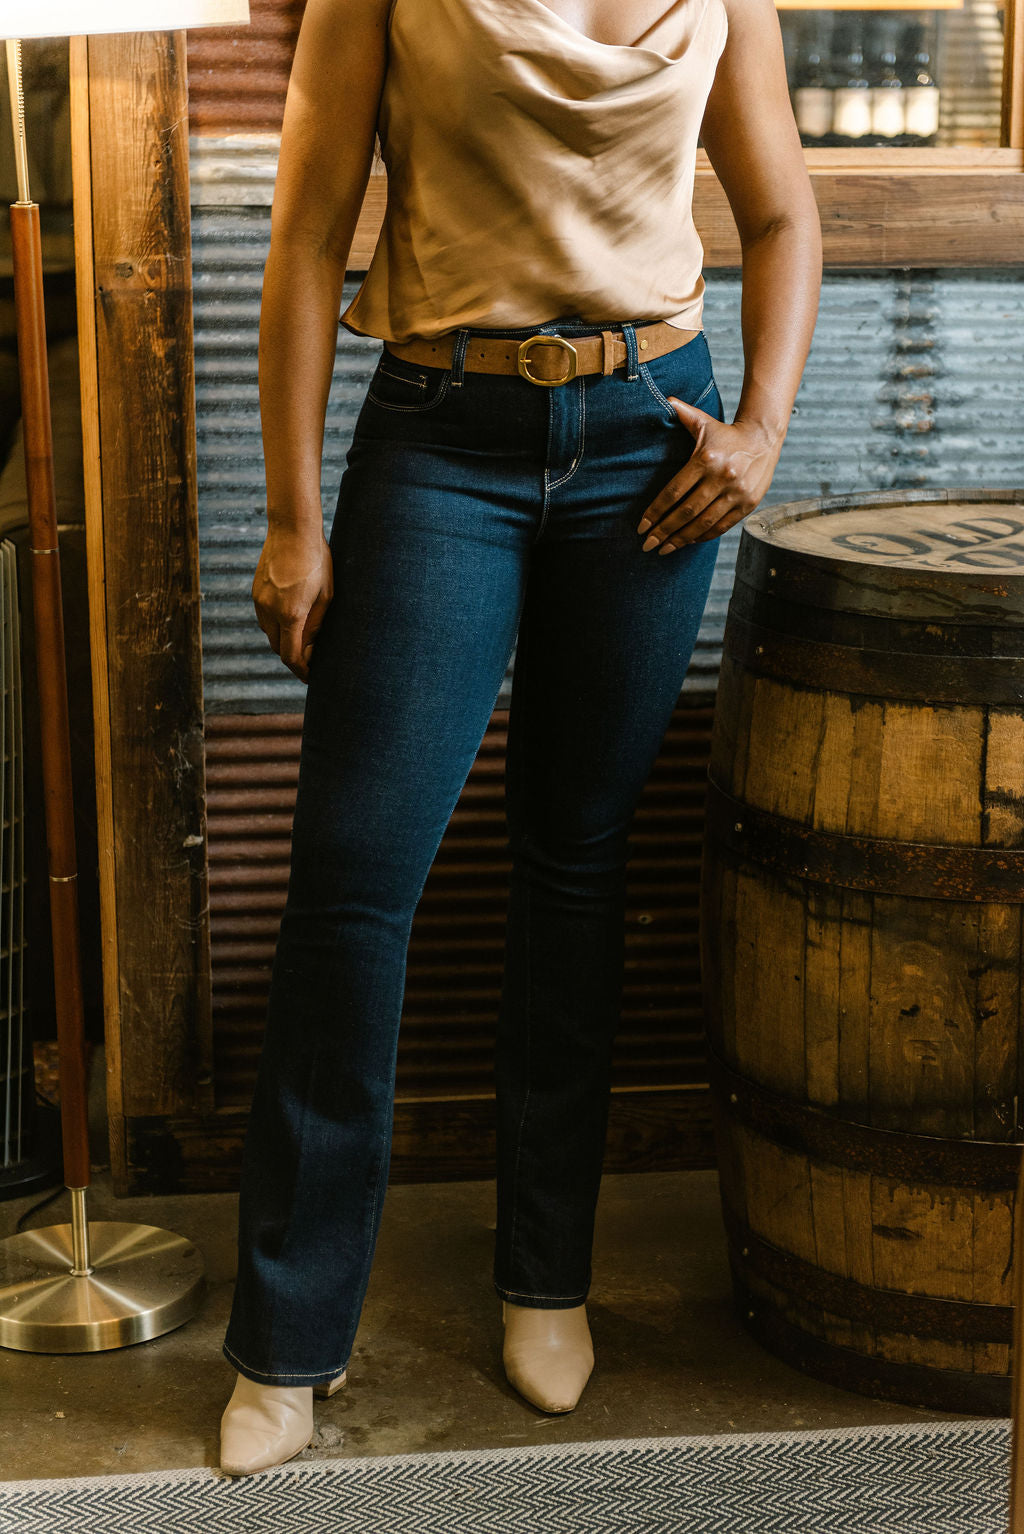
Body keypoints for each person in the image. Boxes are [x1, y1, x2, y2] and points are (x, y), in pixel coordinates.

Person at [218, 0, 822, 1477]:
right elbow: (307, 235)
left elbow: (782, 213)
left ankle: (547, 1277)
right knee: (353, 888)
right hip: (442, 437)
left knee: (575, 864)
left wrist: (761, 429)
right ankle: (287, 1336)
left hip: (653, 435)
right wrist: (293, 514)